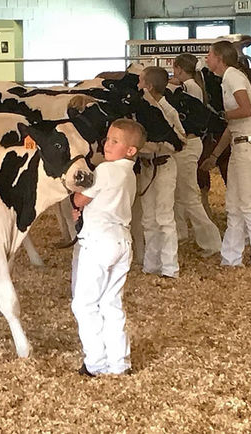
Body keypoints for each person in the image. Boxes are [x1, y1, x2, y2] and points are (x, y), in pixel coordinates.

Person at [71, 118, 147, 377]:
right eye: (107, 139)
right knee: (111, 303)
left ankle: (95, 363)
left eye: (115, 141)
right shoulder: (129, 174)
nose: (107, 144)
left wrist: (77, 202)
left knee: (85, 304)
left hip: (99, 241)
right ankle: (119, 363)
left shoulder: (105, 170)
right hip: (122, 241)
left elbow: (81, 198)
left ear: (130, 150)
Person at [201, 41, 251, 267]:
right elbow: (232, 125)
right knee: (233, 204)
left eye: (210, 54)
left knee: (247, 204)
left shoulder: (233, 77)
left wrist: (221, 114)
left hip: (247, 146)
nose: (206, 58)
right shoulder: (230, 77)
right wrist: (215, 156)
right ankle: (231, 258)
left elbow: (246, 110)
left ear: (220, 58)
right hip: (240, 143)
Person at [137, 66, 187, 278]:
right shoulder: (141, 110)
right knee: (148, 218)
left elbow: (181, 141)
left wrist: (152, 146)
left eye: (140, 82)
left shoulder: (168, 111)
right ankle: (151, 264)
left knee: (164, 217)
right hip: (147, 167)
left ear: (148, 86)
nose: (138, 86)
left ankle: (169, 267)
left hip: (164, 165)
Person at [171, 53, 222, 256]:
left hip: (188, 142)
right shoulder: (193, 85)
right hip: (190, 142)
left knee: (190, 196)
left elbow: (189, 116)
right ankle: (180, 231)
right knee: (180, 193)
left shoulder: (188, 88)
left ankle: (212, 242)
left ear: (179, 69)